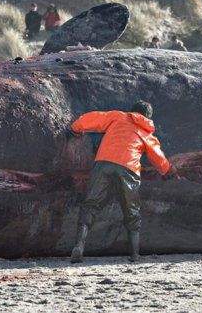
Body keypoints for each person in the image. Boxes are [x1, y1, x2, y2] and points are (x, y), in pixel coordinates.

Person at [66, 101, 174, 263]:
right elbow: (157, 157)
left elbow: (92, 118)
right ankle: (134, 255)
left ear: (132, 111)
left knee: (90, 204)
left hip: (103, 163)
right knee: (131, 212)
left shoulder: (118, 117)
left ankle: (79, 246)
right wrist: (168, 171)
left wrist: (75, 128)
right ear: (148, 117)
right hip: (128, 169)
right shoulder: (145, 133)